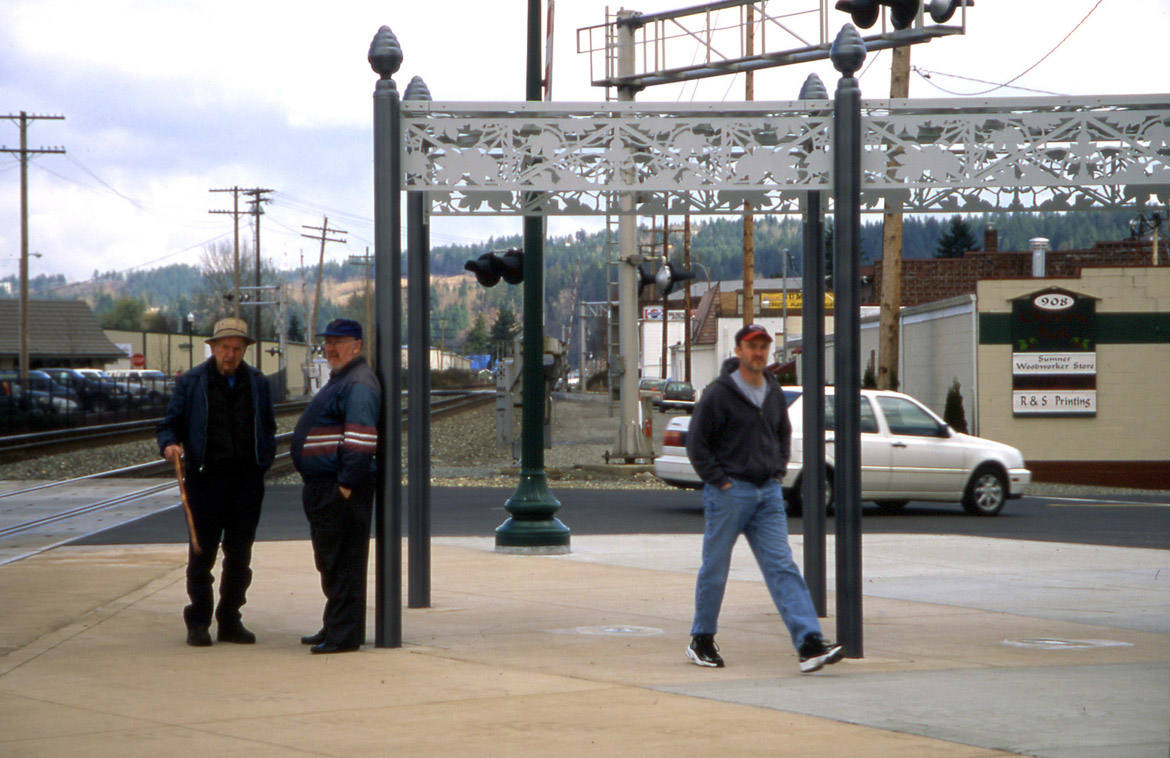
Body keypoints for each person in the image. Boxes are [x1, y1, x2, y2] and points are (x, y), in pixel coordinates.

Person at [684, 323, 844, 674]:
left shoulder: (772, 388)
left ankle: (809, 644)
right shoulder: (719, 393)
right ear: (738, 351)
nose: (758, 352)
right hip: (729, 494)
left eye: (763, 346)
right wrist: (720, 481)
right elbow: (696, 443)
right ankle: (701, 640)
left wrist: (778, 470)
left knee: (782, 566)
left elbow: (783, 432)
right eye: (751, 346)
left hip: (767, 495)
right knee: (716, 567)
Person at [157, 317, 276, 647]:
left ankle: (230, 619)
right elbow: (169, 424)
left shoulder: (258, 382)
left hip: (246, 484)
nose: (230, 354)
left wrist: (263, 461)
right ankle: (198, 621)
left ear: (244, 350)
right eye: (225, 347)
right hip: (205, 481)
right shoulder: (192, 382)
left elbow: (268, 427)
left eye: (237, 348)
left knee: (239, 556)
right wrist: (170, 444)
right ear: (212, 347)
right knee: (202, 555)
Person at [291, 318, 381, 654]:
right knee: (331, 561)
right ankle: (336, 626)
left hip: (339, 488)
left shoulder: (358, 383)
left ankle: (343, 635)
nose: (331, 349)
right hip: (326, 484)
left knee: (343, 563)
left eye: (338, 342)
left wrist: (344, 486)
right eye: (328, 342)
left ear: (357, 346)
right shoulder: (344, 379)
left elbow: (360, 439)